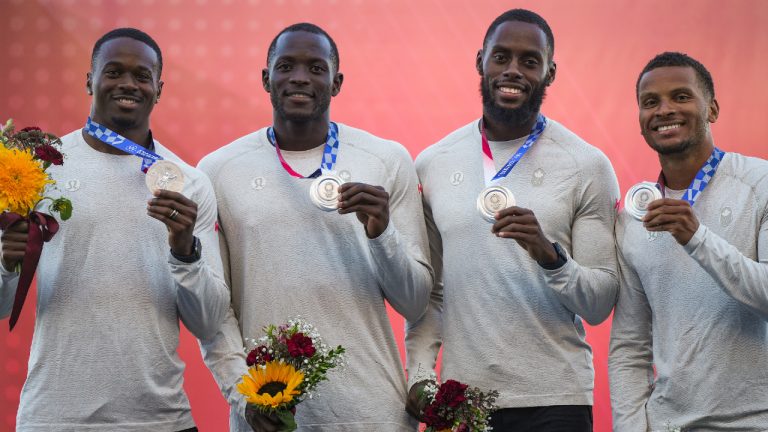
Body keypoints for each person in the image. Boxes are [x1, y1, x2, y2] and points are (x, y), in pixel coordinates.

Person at [198, 23, 433, 431]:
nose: (300, 77)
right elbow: (216, 311)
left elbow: (415, 302)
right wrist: (242, 396)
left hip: (371, 411)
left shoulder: (386, 159)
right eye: (286, 66)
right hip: (270, 415)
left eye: (316, 68)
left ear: (337, 82)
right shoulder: (218, 171)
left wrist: (382, 234)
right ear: (266, 79)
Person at [0, 28, 229, 431]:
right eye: (114, 72)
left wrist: (184, 250)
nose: (128, 84)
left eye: (142, 76)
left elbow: (209, 322)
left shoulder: (189, 184)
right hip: (55, 417)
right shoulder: (39, 168)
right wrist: (5, 263)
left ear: (160, 88)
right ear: (90, 79)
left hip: (161, 420)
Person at [405, 9, 619, 431]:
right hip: (463, 399)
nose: (513, 71)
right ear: (480, 62)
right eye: (501, 57)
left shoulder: (586, 164)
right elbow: (431, 293)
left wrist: (549, 255)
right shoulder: (433, 163)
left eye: (529, 61)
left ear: (550, 72)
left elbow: (599, 303)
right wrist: (420, 373)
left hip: (556, 397)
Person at [609, 52, 768, 431]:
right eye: (650, 102)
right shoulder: (634, 214)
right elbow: (630, 345)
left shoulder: (759, 183)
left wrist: (697, 238)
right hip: (670, 424)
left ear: (712, 109)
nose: (664, 110)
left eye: (680, 97)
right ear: (641, 121)